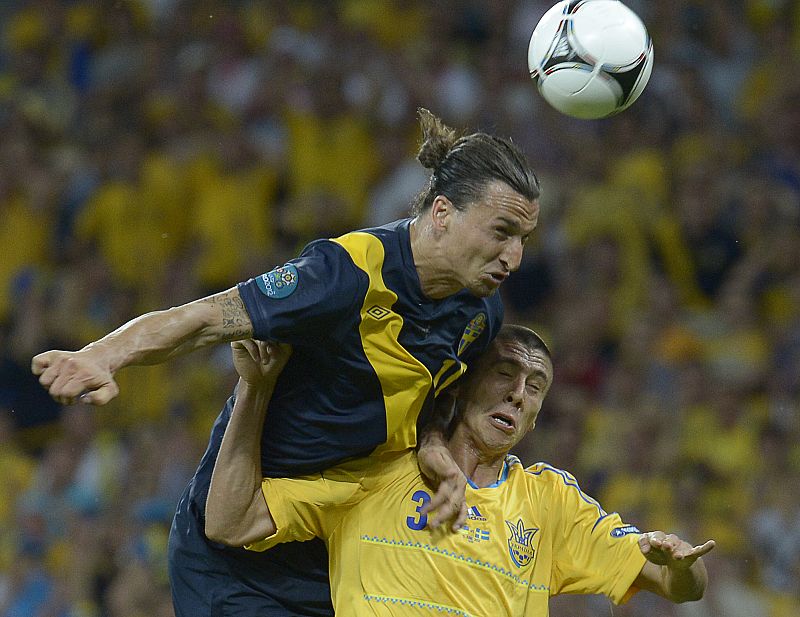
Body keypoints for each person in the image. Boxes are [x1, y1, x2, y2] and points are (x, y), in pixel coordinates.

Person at [31, 109, 542, 616]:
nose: (514, 258)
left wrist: (436, 454)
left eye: (524, 239)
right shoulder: (345, 273)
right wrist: (104, 354)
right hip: (237, 559)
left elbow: (439, 404)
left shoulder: (480, 315)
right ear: (443, 213)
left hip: (335, 555)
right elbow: (206, 318)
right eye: (501, 231)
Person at [206, 327, 715, 615]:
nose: (518, 393)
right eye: (505, 373)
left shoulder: (550, 502)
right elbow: (229, 521)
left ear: (536, 416)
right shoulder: (382, 471)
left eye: (536, 386)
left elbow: (682, 587)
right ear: (463, 383)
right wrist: (254, 389)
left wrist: (679, 562)